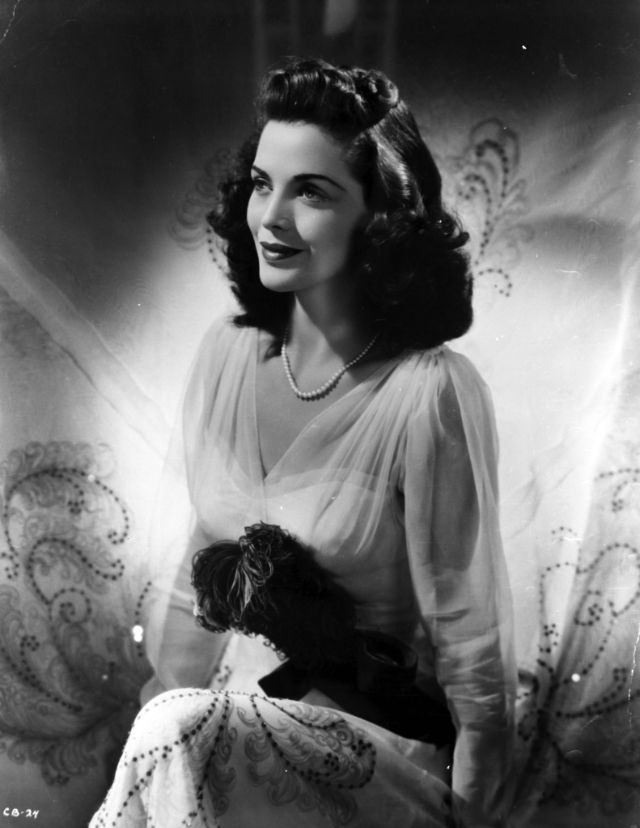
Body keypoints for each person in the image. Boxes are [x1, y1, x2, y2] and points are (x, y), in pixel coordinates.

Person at [91, 57, 516, 828]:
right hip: (228, 739)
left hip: (373, 751)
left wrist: (470, 817)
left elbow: (471, 648)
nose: (272, 217)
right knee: (173, 729)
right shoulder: (227, 353)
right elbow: (196, 582)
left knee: (180, 729)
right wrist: (156, 746)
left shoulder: (429, 392)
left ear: (380, 218)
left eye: (311, 192)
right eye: (263, 184)